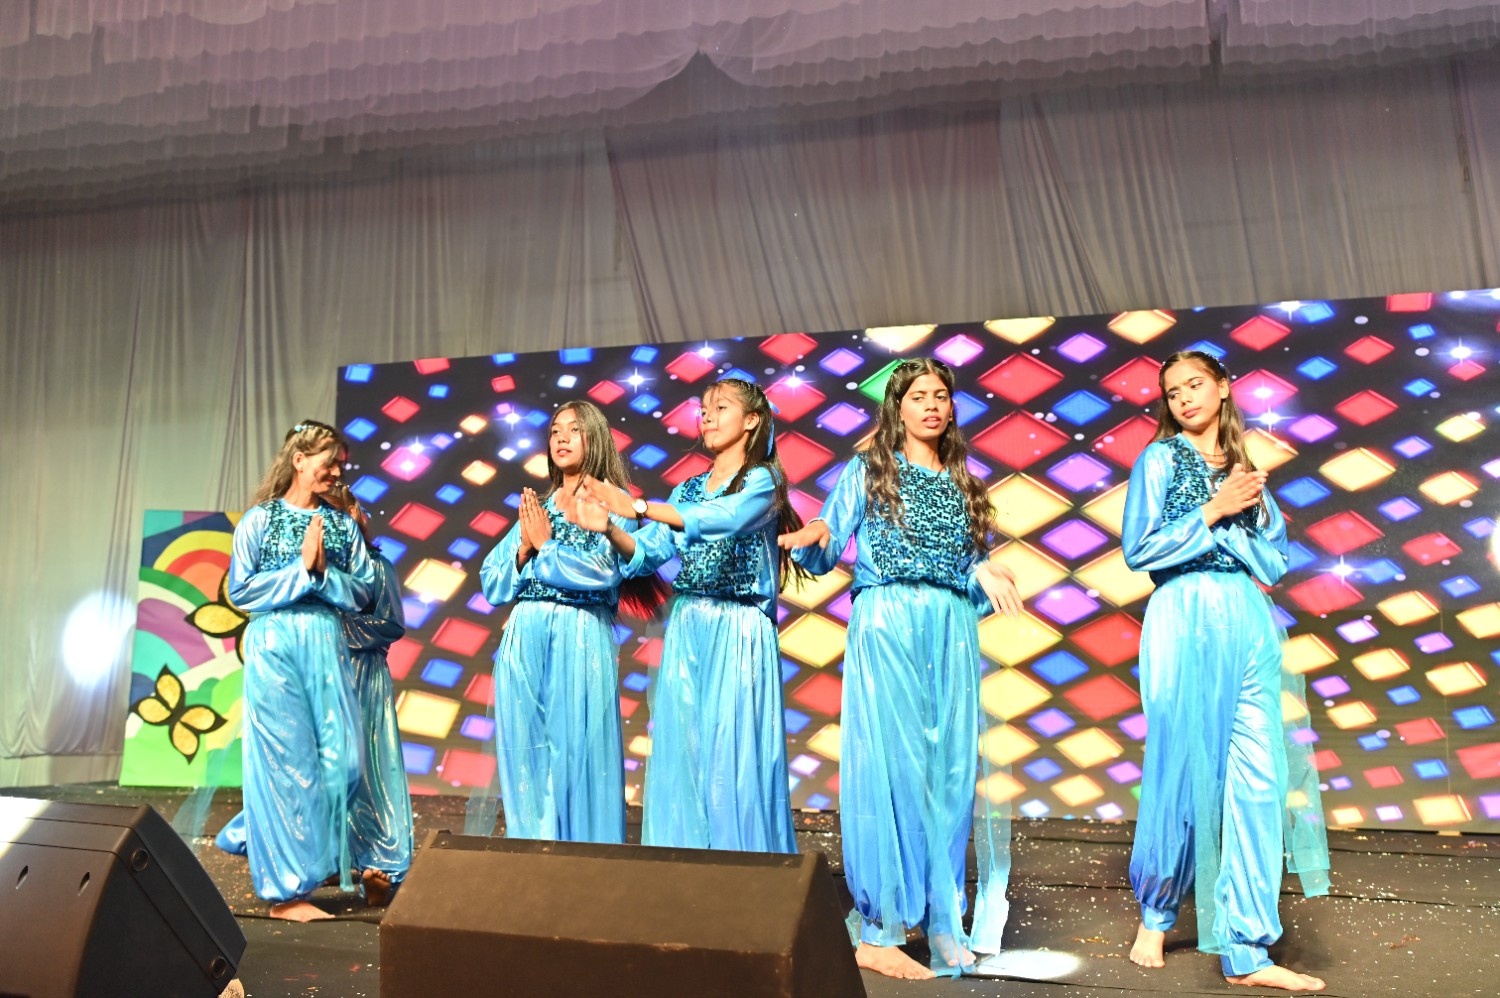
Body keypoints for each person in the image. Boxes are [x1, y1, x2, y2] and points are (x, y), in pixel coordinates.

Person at [778, 357, 1021, 980]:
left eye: (941, 395)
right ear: (897, 406)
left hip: (950, 629)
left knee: (950, 773)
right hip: (887, 620)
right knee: (894, 769)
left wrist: (983, 569)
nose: (932, 405)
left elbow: (965, 568)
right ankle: (881, 930)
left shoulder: (965, 482)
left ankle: (942, 919)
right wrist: (814, 531)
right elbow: (829, 541)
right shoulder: (869, 469)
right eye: (919, 396)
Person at [1122, 350, 1329, 991]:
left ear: (1223, 388)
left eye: (1195, 385)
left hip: (1245, 620)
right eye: (1173, 391)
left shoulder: (1245, 469)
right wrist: (1214, 511)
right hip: (1182, 619)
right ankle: (1156, 913)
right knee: (1182, 772)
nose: (1185, 397)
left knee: (1258, 780)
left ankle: (1247, 948)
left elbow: (1275, 563)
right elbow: (1139, 549)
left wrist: (1239, 513)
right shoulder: (1159, 459)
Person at [569, 377, 807, 853]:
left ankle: (744, 873)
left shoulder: (763, 481)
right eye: (703, 409)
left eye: (721, 407)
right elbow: (648, 553)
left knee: (734, 756)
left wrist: (640, 506)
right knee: (686, 750)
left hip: (739, 626)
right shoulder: (689, 488)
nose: (707, 416)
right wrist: (611, 529)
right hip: (688, 625)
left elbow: (724, 519)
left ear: (752, 420)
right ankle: (685, 871)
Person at [215, 488, 412, 906]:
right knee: (300, 767)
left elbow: (391, 624)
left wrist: (334, 635)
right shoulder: (295, 556)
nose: (331, 523)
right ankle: (307, 854)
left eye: (342, 512)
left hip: (360, 675)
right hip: (313, 671)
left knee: (361, 775)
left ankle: (375, 864)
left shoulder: (376, 568)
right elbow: (253, 593)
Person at [226, 420, 375, 922]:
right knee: (287, 764)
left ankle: (258, 831)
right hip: (275, 642)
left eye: (341, 465)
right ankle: (287, 894)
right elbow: (241, 591)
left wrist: (323, 572)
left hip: (325, 641)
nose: (337, 473)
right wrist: (300, 571)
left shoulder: (341, 525)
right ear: (300, 459)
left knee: (344, 762)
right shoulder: (259, 520)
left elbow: (363, 591)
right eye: (329, 462)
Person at [479, 401, 642, 843]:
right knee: (525, 752)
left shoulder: (611, 503)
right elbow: (492, 581)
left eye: (574, 430)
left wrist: (547, 547)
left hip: (579, 633)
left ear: (596, 438)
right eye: (555, 431)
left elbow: (604, 572)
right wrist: (524, 550)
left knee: (578, 754)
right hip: (525, 633)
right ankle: (533, 854)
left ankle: (581, 861)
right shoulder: (541, 506)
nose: (562, 438)